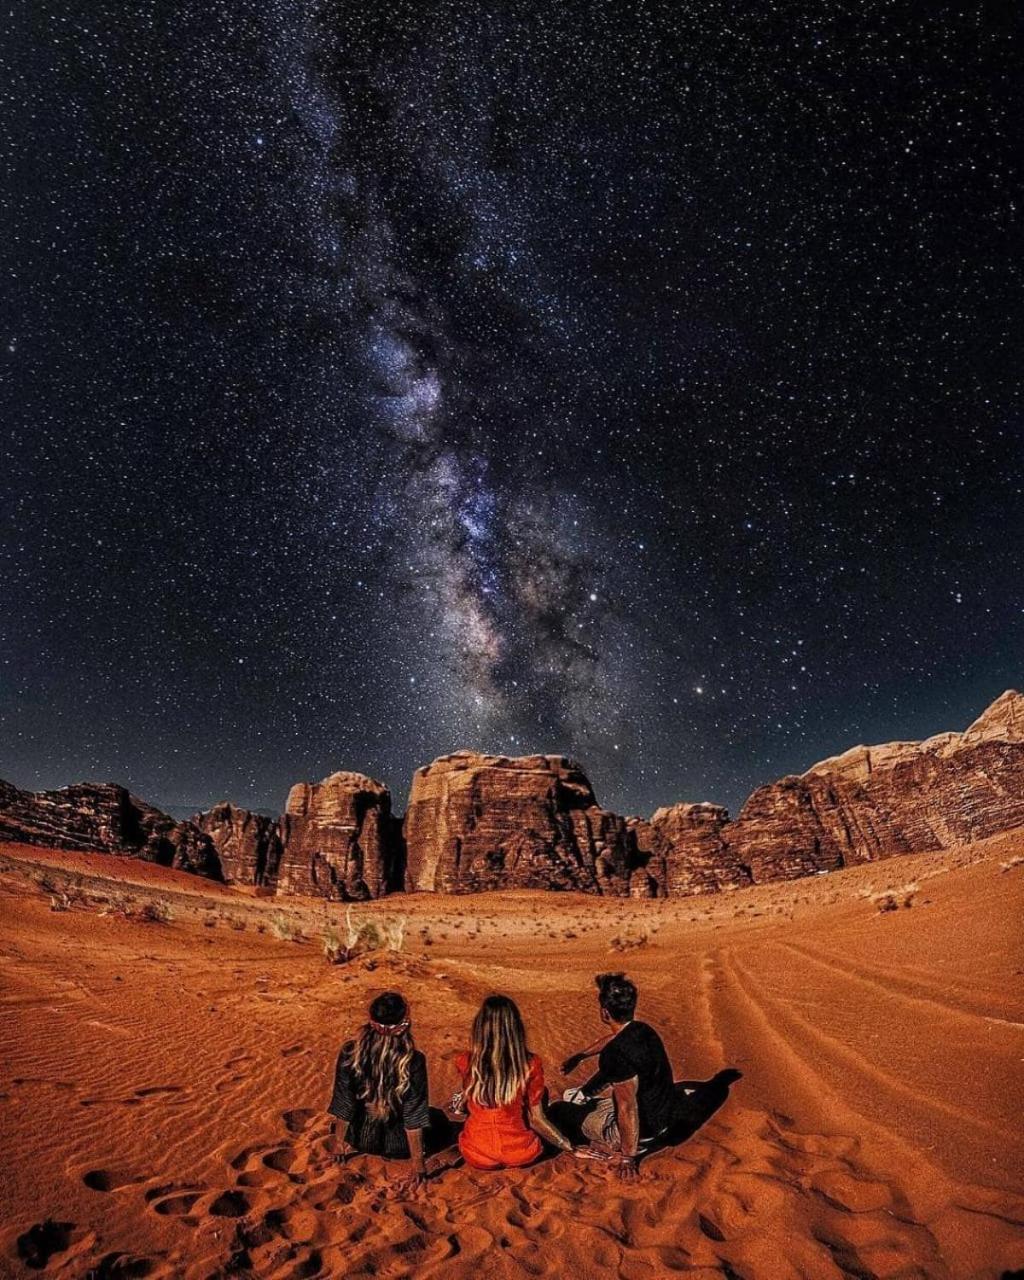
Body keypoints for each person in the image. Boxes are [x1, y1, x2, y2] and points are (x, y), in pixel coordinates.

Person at [562, 972, 675, 1182]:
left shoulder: (615, 1054)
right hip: (665, 1116)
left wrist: (627, 1157)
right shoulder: (643, 1030)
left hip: (642, 1132)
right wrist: (582, 1055)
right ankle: (584, 1098)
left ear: (605, 1013)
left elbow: (627, 1107)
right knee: (582, 1094)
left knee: (561, 1110)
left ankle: (581, 1109)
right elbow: (614, 1038)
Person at [453, 994, 577, 1169]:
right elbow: (536, 1119)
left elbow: (471, 1098)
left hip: (477, 1153)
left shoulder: (465, 1061)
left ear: (480, 1027)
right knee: (539, 1095)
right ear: (516, 1028)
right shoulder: (531, 1064)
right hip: (520, 1153)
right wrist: (569, 1146)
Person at [327, 991, 429, 1196]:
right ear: (404, 1025)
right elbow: (413, 1115)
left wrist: (339, 1144)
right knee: (439, 1120)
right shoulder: (414, 1060)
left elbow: (344, 1101)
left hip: (359, 1138)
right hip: (399, 1145)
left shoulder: (350, 1052)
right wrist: (418, 1164)